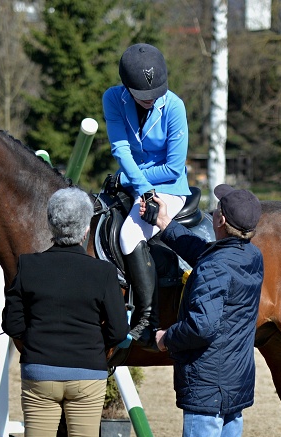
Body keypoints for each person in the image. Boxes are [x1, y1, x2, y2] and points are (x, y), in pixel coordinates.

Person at [2, 187, 129, 437]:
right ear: (87, 227)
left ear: (51, 224)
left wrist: (38, 343)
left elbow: (12, 322)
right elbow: (119, 331)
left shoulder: (28, 266)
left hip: (40, 374)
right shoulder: (103, 272)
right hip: (87, 376)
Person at [142, 184, 263, 437]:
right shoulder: (251, 256)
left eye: (215, 210)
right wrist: (166, 225)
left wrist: (165, 339)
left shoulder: (216, 265)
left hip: (208, 382)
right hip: (236, 380)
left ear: (221, 220)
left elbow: (201, 325)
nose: (212, 213)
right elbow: (208, 256)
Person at [102, 43, 191, 349]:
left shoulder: (174, 107)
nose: (152, 98)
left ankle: (147, 319)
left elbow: (173, 167)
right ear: (127, 87)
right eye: (143, 94)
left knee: (129, 234)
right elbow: (120, 149)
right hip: (133, 182)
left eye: (157, 91)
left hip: (170, 186)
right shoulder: (112, 98)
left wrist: (129, 180)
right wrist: (136, 184)